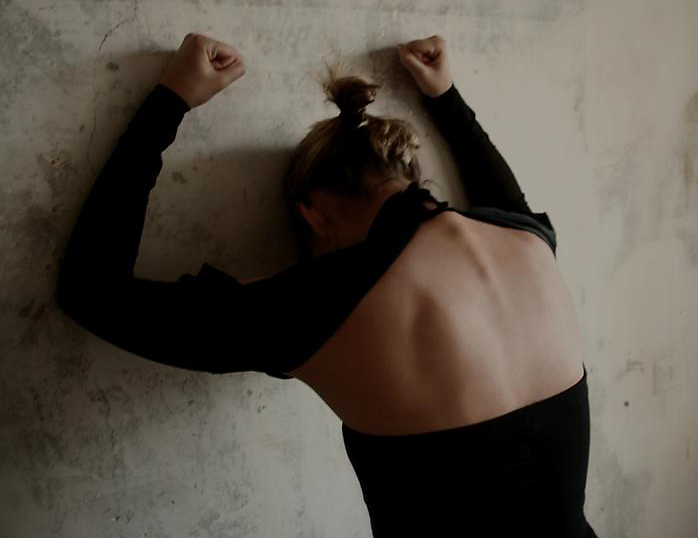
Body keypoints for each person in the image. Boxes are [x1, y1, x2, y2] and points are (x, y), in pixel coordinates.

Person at [57, 32, 597, 537]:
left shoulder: (322, 305)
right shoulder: (528, 241)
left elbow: (90, 290)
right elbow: (504, 198)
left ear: (313, 216)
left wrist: (169, 101)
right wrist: (446, 99)